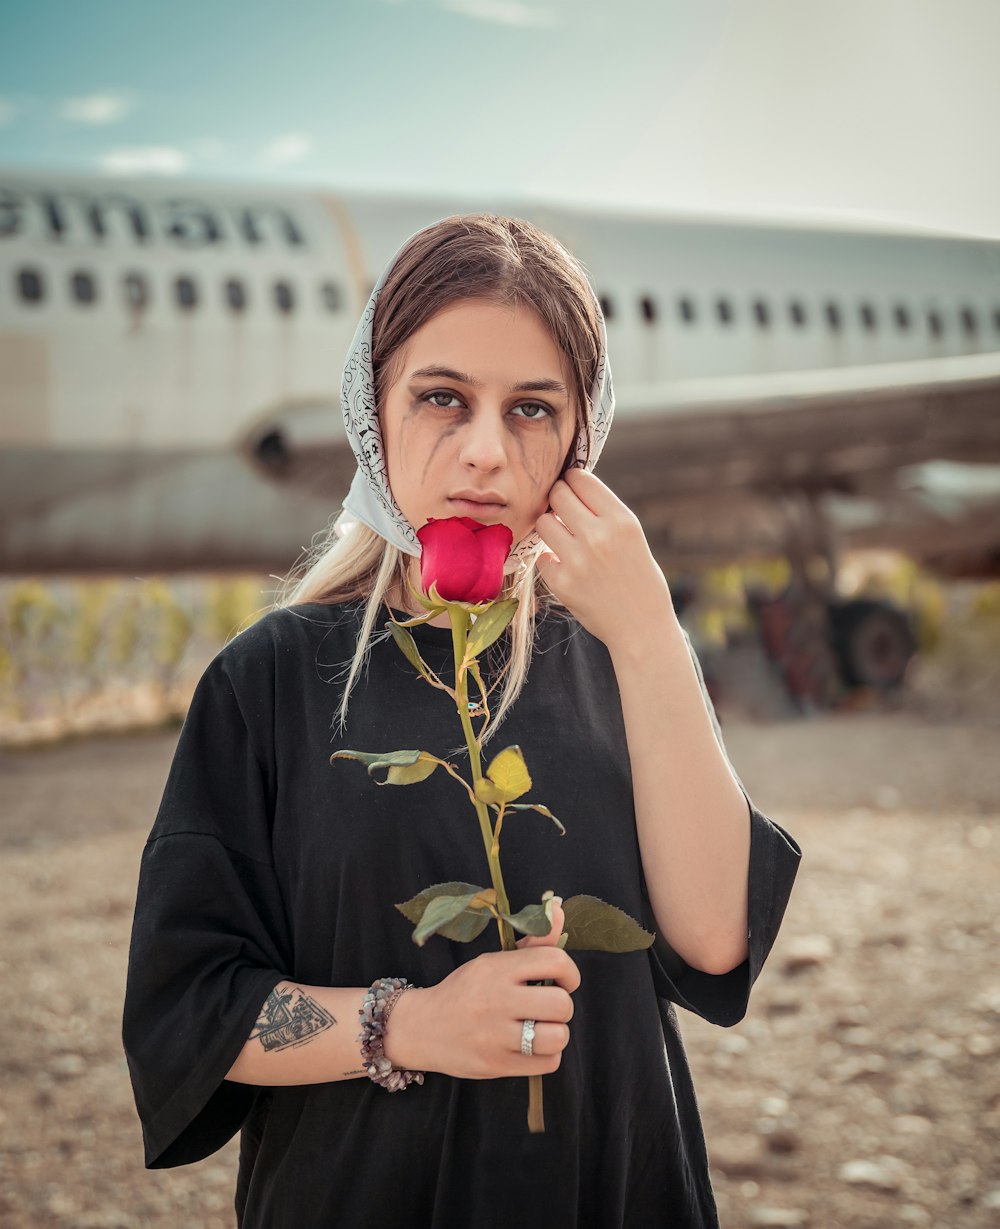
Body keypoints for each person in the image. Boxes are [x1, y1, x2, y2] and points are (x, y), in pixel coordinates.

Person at [122, 214, 802, 1229]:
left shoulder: (623, 660)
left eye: (532, 409)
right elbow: (193, 1013)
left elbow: (710, 940)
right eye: (441, 397)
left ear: (582, 440)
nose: (484, 454)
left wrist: (652, 632)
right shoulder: (265, 682)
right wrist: (411, 1022)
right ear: (371, 413)